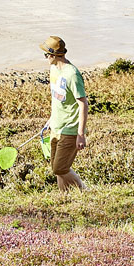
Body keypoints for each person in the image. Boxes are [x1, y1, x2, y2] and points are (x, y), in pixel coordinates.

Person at [42, 36, 89, 191]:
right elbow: (58, 98)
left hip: (70, 129)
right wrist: (51, 118)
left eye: (46, 55)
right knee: (57, 169)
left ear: (53, 55)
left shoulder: (72, 74)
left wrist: (80, 134)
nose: (45, 58)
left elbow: (83, 103)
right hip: (56, 126)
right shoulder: (53, 69)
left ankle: (85, 191)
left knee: (60, 168)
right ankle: (64, 197)